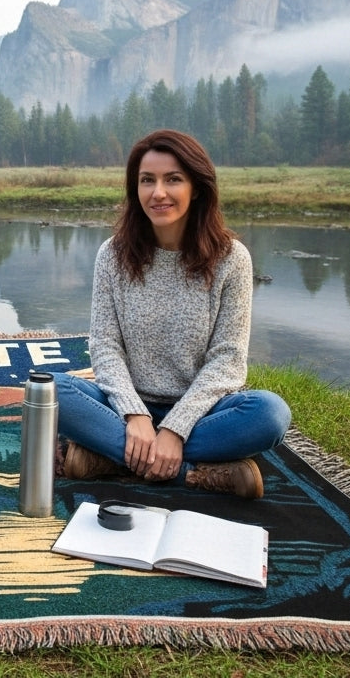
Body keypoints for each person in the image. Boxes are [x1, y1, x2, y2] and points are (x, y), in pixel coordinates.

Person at [53, 129, 290, 498]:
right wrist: (135, 416)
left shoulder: (232, 259)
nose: (158, 192)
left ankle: (111, 461)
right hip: (123, 408)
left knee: (270, 414)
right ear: (136, 189)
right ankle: (192, 473)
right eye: (147, 180)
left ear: (196, 187)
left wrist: (175, 429)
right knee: (51, 392)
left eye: (173, 179)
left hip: (203, 413)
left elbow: (227, 361)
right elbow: (105, 346)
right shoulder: (113, 255)